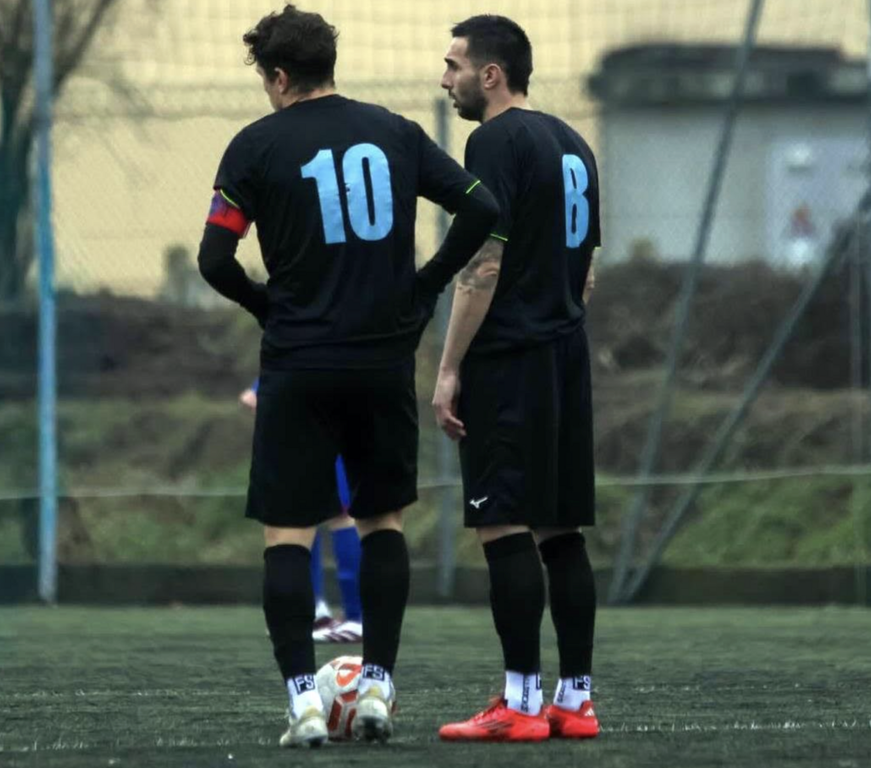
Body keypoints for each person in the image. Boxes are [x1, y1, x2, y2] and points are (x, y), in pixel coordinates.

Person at [198, 5, 499, 748]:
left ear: (278, 77)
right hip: (381, 360)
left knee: (287, 534)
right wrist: (423, 287)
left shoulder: (254, 146)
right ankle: (376, 691)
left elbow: (214, 260)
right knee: (381, 521)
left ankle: (304, 702)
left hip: (298, 363)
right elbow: (481, 207)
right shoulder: (395, 132)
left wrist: (267, 306)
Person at [431, 15, 601, 742]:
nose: (445, 79)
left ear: (491, 74)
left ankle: (521, 705)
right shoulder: (574, 143)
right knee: (561, 530)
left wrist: (448, 367)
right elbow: (587, 268)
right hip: (566, 352)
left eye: (454, 65)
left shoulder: (494, 141)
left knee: (502, 523)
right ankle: (575, 701)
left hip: (510, 358)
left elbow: (485, 263)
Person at [239, 380, 363, 643]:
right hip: (331, 421)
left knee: (324, 516)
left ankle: (347, 616)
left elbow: (252, 399)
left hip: (317, 425)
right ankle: (331, 613)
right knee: (324, 515)